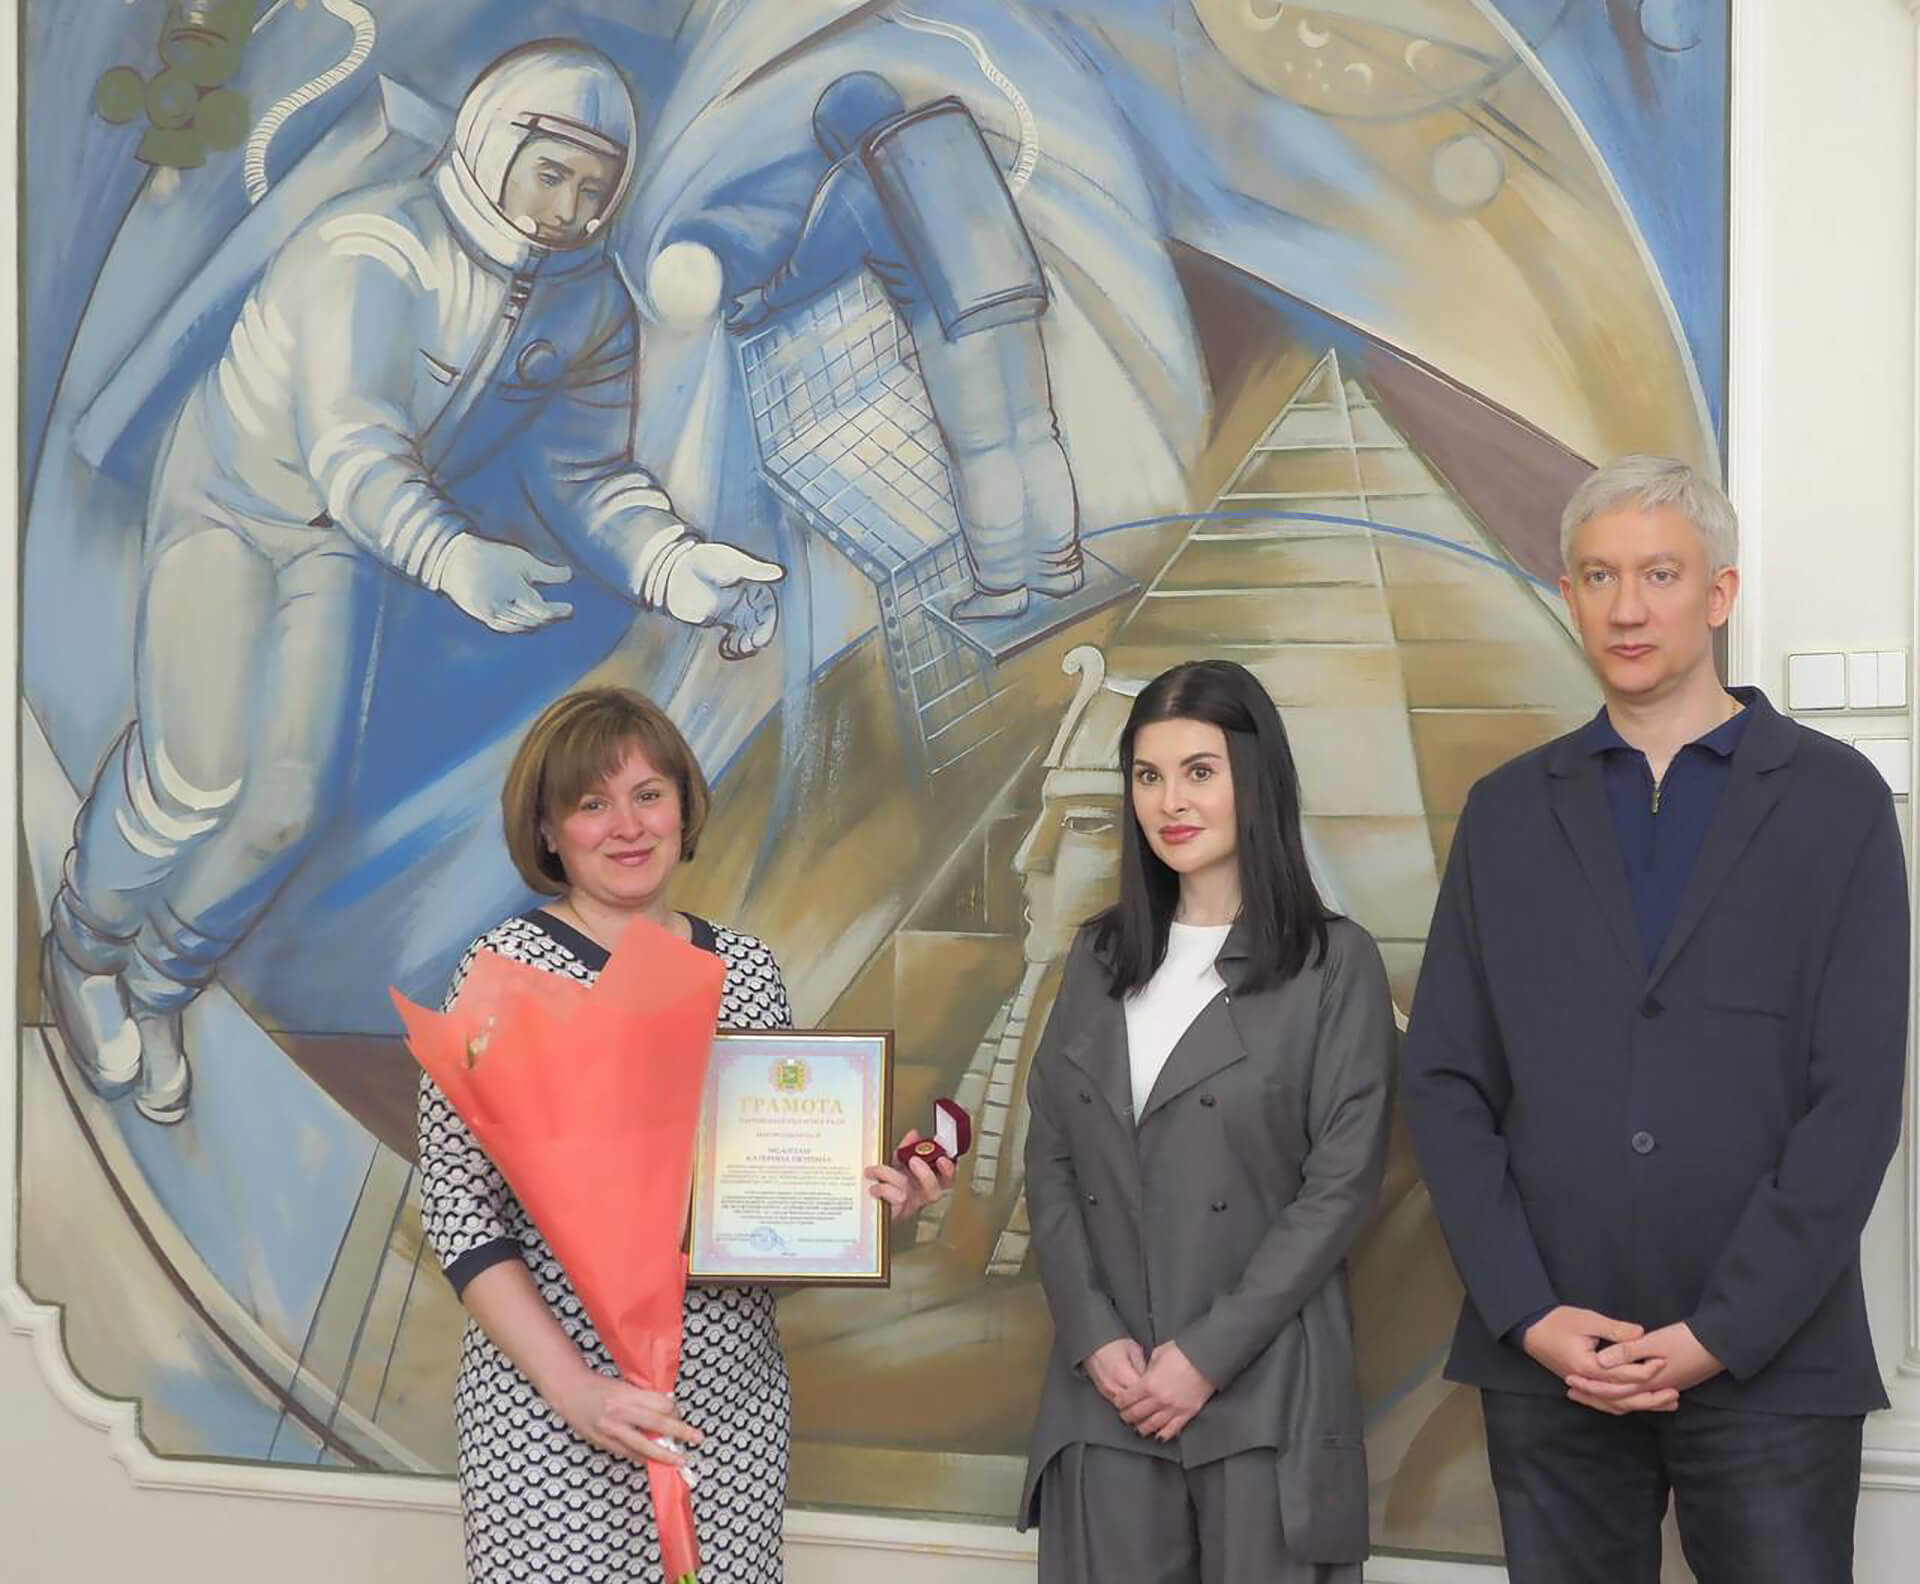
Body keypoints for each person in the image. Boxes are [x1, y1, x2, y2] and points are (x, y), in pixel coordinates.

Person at [43, 40, 787, 1126]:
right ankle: (83, 946)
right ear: (491, 145)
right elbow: (353, 446)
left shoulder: (587, 304)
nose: (569, 209)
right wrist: (453, 557)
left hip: (348, 545)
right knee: (193, 777)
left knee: (287, 806)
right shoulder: (374, 250)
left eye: (594, 190)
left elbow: (584, 474)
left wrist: (678, 565)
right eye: (551, 172)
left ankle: (157, 986)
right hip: (233, 503)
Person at [1400, 455, 1910, 1583]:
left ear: (1719, 593)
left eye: (1659, 575)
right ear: (1568, 595)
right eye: (1598, 576)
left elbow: (1858, 1095)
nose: (1626, 607)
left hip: (1773, 1360)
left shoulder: (1836, 801)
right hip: (1549, 1361)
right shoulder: (1504, 813)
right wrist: (1528, 1313)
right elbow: (1445, 1081)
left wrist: (1724, 1330)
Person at [416, 686, 951, 1583]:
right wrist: (574, 1389)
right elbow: (458, 1209)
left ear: (683, 807)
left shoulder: (749, 970)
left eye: (648, 794)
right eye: (592, 803)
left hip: (729, 1420)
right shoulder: (504, 971)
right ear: (548, 829)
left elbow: (762, 1207)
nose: (628, 826)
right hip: (557, 1426)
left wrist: (861, 1211)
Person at [1017, 658, 1395, 1582]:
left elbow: (1339, 1189)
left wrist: (1204, 1356)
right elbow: (1051, 1163)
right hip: (1104, 1397)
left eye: (1199, 771)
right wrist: (1092, 1335)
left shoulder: (1333, 964)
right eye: (1148, 775)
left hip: (1265, 1396)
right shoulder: (1097, 957)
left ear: (1255, 780)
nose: (1170, 802)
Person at [728, 70, 1082, 622]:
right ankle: (1059, 567)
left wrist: (765, 301)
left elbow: (812, 265)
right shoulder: (954, 147)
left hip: (947, 324)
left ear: (838, 135)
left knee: (982, 453)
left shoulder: (859, 175)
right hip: (1015, 302)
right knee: (1037, 433)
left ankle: (1001, 588)